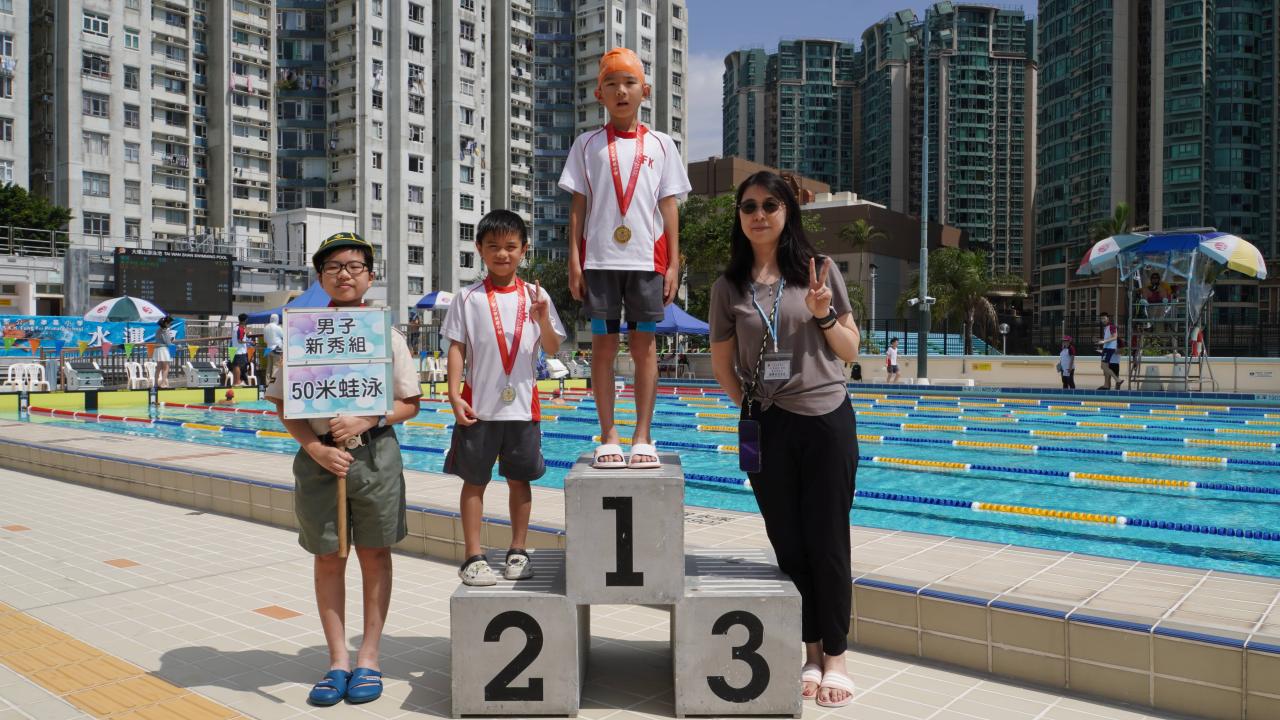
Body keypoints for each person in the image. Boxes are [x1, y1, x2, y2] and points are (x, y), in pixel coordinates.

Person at [709, 171, 861, 708]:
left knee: (828, 540)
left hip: (825, 417)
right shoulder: (729, 286)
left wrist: (823, 316)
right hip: (766, 425)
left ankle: (836, 657)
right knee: (789, 542)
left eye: (770, 205)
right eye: (749, 206)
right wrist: (753, 408)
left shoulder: (819, 270)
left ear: (787, 212)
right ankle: (810, 651)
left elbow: (851, 349)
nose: (759, 214)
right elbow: (722, 364)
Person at [264, 231, 422, 707]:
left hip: (374, 455)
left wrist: (368, 418)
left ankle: (369, 657)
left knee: (375, 554)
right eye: (333, 267)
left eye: (354, 266)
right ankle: (337, 660)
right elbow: (285, 404)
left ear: (370, 276)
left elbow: (410, 402)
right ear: (321, 278)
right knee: (328, 557)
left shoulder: (386, 335)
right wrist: (315, 448)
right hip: (321, 461)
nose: (344, 275)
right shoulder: (303, 334)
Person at [559, 47, 691, 469]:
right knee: (602, 347)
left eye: (629, 83)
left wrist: (673, 264)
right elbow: (578, 206)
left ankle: (642, 436)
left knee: (644, 347)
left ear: (644, 91)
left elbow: (669, 206)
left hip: (647, 262)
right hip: (599, 262)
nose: (621, 91)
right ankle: (609, 434)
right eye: (611, 84)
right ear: (599, 93)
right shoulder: (586, 145)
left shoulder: (662, 144)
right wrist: (574, 261)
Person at [442, 210, 566, 586]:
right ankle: (473, 556)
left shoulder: (536, 296)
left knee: (520, 481)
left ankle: (518, 550)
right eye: (493, 246)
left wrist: (542, 318)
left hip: (522, 407)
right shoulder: (468, 298)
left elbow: (552, 347)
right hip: (478, 407)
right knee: (474, 481)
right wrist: (453, 393)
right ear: (479, 248)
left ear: (524, 250)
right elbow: (457, 348)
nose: (502, 253)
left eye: (511, 246)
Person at [1096, 311, 1123, 390]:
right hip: (1107, 348)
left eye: (1104, 318)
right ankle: (1107, 385)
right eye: (1101, 319)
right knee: (1105, 367)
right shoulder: (1106, 327)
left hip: (1109, 349)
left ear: (1108, 318)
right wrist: (1102, 341)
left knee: (1103, 366)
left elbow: (1114, 337)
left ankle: (1117, 380)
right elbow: (1110, 338)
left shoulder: (1112, 326)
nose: (1103, 320)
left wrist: (1104, 341)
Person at [153, 316, 176, 389]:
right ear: (166, 323)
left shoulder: (158, 330)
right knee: (166, 367)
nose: (170, 325)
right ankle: (163, 383)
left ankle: (155, 384)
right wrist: (172, 341)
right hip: (163, 349)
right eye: (170, 323)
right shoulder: (165, 331)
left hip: (157, 349)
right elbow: (168, 343)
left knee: (158, 368)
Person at [263, 313, 285, 384]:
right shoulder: (278, 328)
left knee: (269, 367)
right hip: (276, 349)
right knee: (275, 367)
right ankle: (273, 384)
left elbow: (265, 340)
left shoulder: (265, 327)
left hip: (268, 349)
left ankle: (267, 383)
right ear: (277, 319)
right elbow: (284, 337)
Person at [230, 313, 251, 386]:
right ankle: (238, 382)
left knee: (235, 366)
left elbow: (238, 337)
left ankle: (235, 382)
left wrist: (245, 335)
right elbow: (240, 341)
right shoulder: (241, 329)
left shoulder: (235, 327)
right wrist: (249, 341)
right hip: (240, 351)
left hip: (234, 350)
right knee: (238, 366)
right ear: (245, 320)